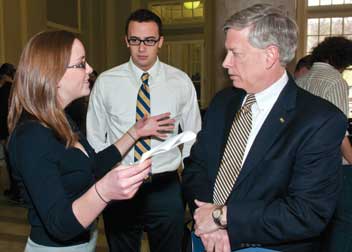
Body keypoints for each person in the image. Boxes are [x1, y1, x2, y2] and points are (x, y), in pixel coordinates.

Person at [182, 4, 347, 252]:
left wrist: (223, 218)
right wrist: (207, 220)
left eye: (234, 53)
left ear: (270, 55)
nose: (226, 63)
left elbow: (306, 213)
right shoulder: (222, 102)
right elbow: (197, 167)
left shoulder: (320, 119)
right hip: (202, 238)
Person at [7, 30, 175, 251]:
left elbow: (92, 165)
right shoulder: (31, 137)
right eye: (81, 63)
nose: (90, 69)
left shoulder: (61, 118)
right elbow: (59, 224)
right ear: (54, 74)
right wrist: (105, 190)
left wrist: (135, 133)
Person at [86, 8, 202, 252]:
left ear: (160, 41)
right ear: (125, 40)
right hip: (120, 183)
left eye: (149, 40)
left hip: (165, 186)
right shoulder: (106, 82)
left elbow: (193, 137)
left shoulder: (180, 82)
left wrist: (190, 184)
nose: (141, 48)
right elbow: (95, 139)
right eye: (135, 40)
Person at [297, 36, 352, 165]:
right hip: (322, 159)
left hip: (299, 155)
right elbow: (338, 131)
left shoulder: (300, 81)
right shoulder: (336, 82)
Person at [0, 63, 22, 203]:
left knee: (12, 163)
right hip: (18, 130)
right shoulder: (16, 89)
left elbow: (3, 115)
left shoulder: (5, 90)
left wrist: (3, 135)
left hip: (9, 131)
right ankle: (16, 191)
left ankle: (17, 192)